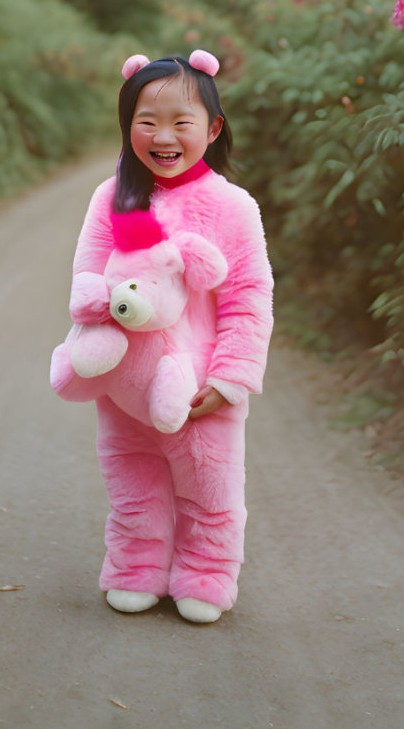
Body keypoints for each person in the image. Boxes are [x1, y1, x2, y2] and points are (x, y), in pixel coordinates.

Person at [60, 50, 274, 623]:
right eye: (147, 121)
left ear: (213, 128)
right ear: (127, 126)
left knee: (210, 487)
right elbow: (89, 276)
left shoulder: (232, 206)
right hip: (124, 384)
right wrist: (92, 346)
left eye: (182, 122)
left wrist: (230, 379)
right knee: (133, 484)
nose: (163, 135)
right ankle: (136, 566)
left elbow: (250, 298)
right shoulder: (114, 198)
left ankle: (206, 572)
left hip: (200, 386)